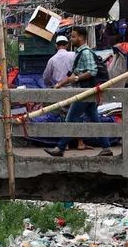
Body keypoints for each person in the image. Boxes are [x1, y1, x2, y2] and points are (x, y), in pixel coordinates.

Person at [46, 27, 110, 157]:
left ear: (81, 38)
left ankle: (60, 147)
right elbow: (74, 73)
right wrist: (60, 84)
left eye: (74, 37)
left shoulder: (85, 53)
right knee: (95, 118)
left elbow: (92, 71)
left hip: (85, 91)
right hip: (87, 90)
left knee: (70, 118)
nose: (71, 39)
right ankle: (106, 147)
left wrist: (76, 78)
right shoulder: (78, 53)